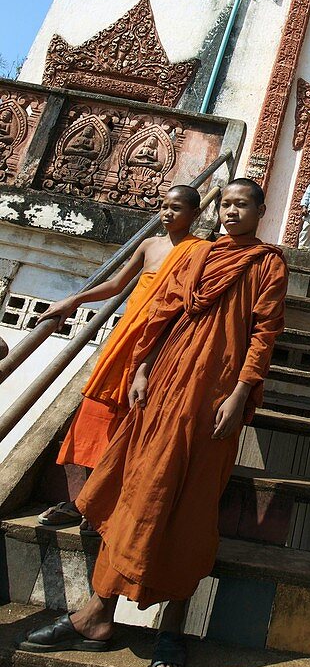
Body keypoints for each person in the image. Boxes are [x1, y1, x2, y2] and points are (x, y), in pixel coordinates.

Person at [20, 179, 288, 667]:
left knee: (189, 505)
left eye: (242, 205)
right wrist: (141, 363)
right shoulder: (196, 255)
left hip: (213, 400)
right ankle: (97, 612)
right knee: (136, 490)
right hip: (164, 387)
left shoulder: (266, 264)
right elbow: (162, 309)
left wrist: (239, 393)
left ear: (260, 211)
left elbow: (264, 331)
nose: (232, 212)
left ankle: (173, 628)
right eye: (225, 204)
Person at [36, 185, 202, 530]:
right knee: (98, 414)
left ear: (195, 215)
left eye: (176, 208)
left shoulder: (201, 251)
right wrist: (74, 300)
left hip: (159, 344)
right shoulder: (149, 245)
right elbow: (116, 285)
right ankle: (84, 500)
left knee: (135, 418)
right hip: (127, 336)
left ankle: (106, 505)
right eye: (163, 206)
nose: (167, 213)